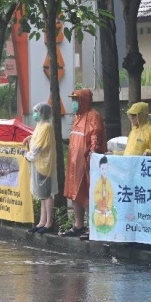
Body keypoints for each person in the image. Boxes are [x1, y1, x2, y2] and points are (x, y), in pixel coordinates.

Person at [62, 89, 106, 237]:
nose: (74, 103)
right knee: (74, 193)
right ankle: (78, 225)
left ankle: (92, 226)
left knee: (89, 193)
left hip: (86, 162)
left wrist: (93, 152)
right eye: (73, 99)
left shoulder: (93, 116)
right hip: (74, 163)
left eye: (76, 99)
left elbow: (96, 135)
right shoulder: (77, 117)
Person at [24, 103, 58, 233]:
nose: (35, 114)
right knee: (42, 196)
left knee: (47, 194)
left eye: (37, 111)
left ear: (42, 113)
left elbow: (39, 145)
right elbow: (37, 139)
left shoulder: (47, 127)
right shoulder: (40, 126)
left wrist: (29, 156)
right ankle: (42, 222)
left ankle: (49, 223)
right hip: (38, 164)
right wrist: (30, 137)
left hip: (44, 164)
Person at [92, 155, 115, 229]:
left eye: (106, 169)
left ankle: (106, 217)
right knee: (97, 222)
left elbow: (111, 195)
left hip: (107, 208)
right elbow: (95, 195)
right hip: (100, 207)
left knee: (111, 222)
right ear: (99, 169)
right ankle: (102, 218)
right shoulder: (98, 182)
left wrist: (108, 207)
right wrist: (101, 197)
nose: (104, 171)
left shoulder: (109, 182)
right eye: (102, 169)